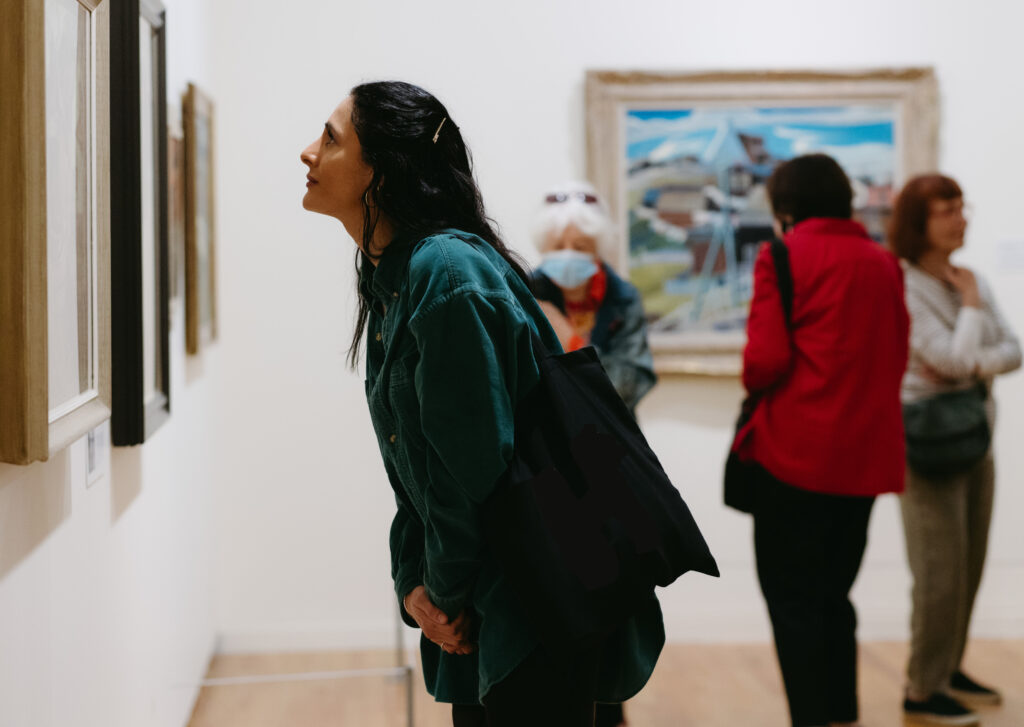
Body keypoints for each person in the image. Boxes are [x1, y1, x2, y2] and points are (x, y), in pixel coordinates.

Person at [299, 81, 664, 727]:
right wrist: (413, 579)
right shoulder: (396, 274)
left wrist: (435, 591)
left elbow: (471, 469)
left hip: (530, 599)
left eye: (330, 137)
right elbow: (415, 471)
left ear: (384, 166)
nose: (308, 152)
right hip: (493, 595)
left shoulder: (444, 271)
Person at [732, 154, 909, 727]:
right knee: (835, 597)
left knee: (792, 603)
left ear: (785, 204)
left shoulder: (781, 255)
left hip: (795, 456)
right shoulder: (885, 263)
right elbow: (896, 355)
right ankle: (841, 716)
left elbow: (764, 361)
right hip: (864, 459)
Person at [889, 174, 1021, 726]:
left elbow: (1011, 350)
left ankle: (949, 667)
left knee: (969, 564)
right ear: (920, 221)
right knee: (939, 570)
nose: (961, 218)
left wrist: (968, 356)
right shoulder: (904, 283)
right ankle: (923, 687)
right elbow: (950, 359)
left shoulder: (970, 278)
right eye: (948, 209)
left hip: (972, 432)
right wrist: (970, 316)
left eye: (963, 207)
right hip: (925, 440)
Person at [531, 182, 657, 419]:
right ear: (544, 248)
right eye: (558, 247)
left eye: (580, 247)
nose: (568, 254)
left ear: (597, 249)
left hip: (610, 435)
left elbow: (632, 383)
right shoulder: (525, 293)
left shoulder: (624, 299)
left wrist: (574, 344)